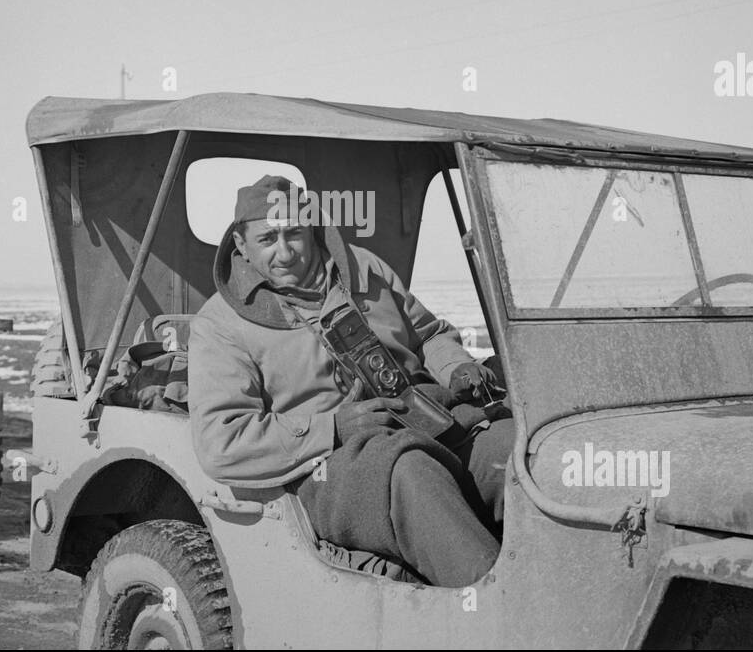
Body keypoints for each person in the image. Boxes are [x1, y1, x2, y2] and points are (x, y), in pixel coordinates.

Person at [188, 175, 513, 587]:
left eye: (295, 234)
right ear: (241, 244)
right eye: (268, 239)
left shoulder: (365, 269)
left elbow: (427, 334)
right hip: (329, 464)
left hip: (431, 418)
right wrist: (333, 428)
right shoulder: (220, 324)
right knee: (413, 474)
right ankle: (495, 605)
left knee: (513, 450)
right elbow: (221, 443)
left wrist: (456, 367)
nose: (285, 253)